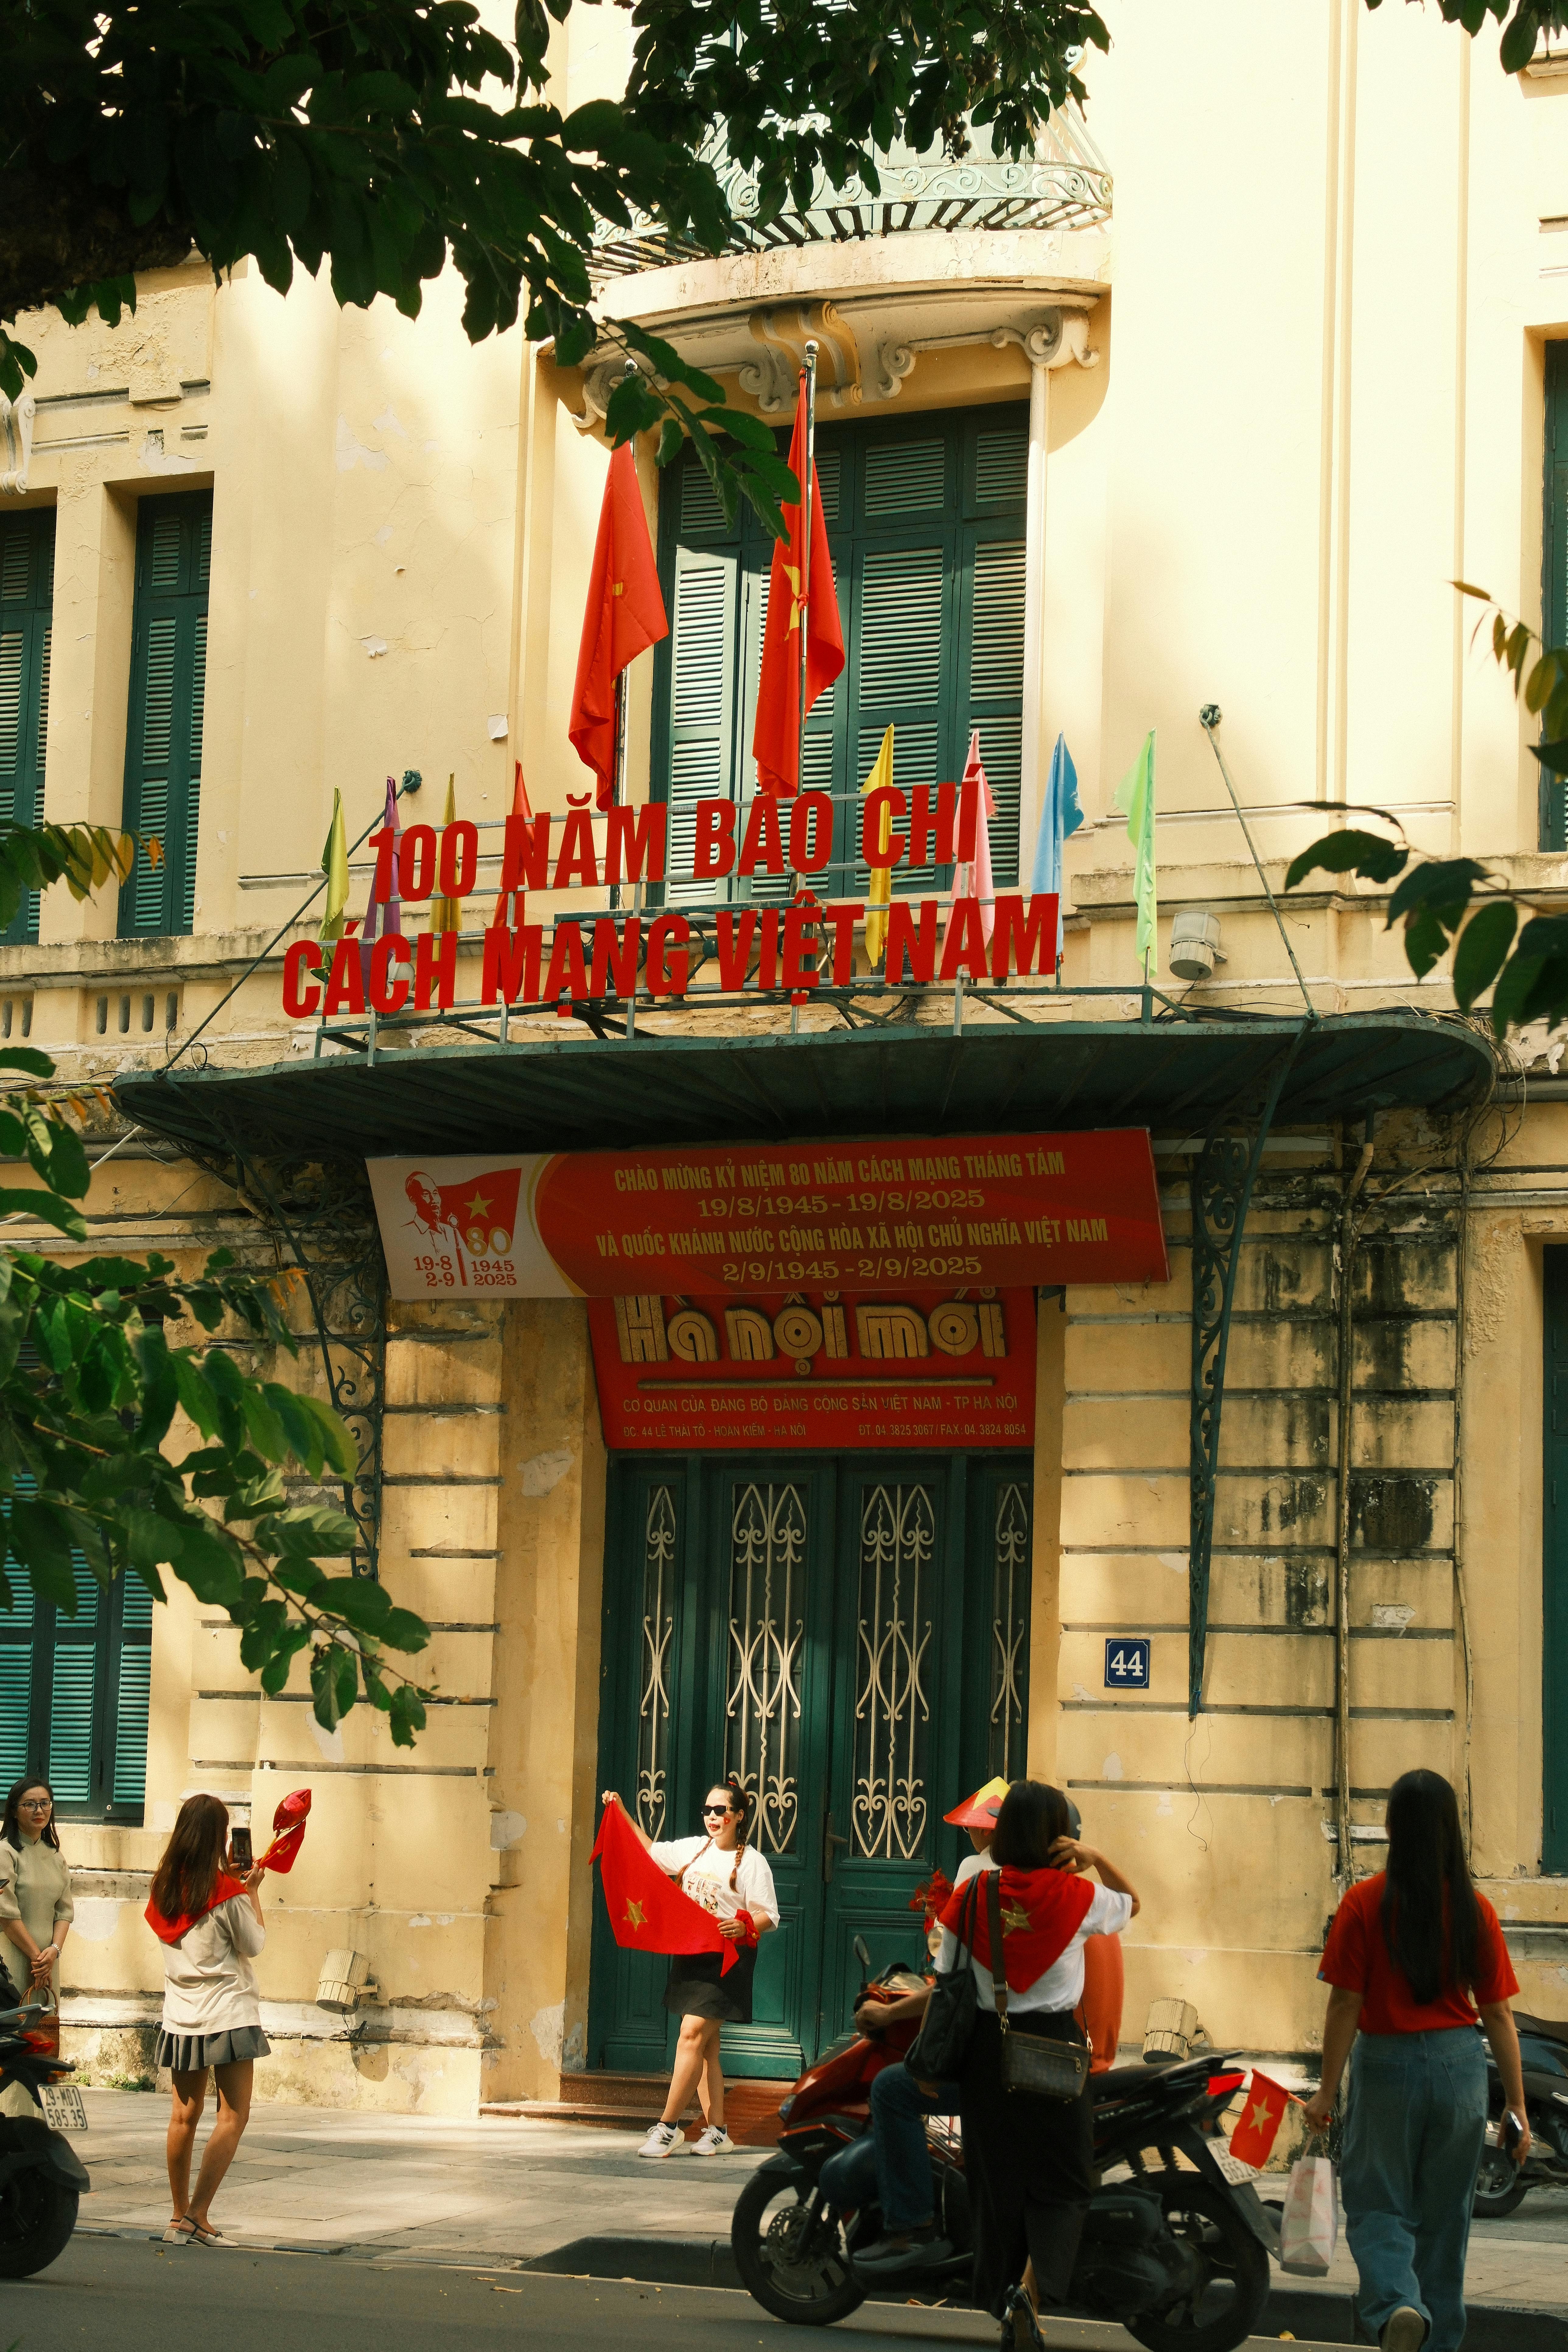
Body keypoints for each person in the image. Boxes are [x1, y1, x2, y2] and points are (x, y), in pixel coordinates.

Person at [1302, 1769, 1528, 2352]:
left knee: (1378, 2204)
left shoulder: (1362, 1902)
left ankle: (1396, 2304)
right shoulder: (1476, 1909)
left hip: (1385, 2068)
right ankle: (1439, 2339)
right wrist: (1517, 2107)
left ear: (1391, 1826)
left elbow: (1344, 2003)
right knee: (1446, 2218)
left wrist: (1326, 2091)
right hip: (1459, 2068)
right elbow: (1499, 2013)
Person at [934, 1779, 1138, 2352]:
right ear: (1057, 1836)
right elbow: (1134, 1904)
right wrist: (1094, 1859)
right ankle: (1032, 2292)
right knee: (1066, 2182)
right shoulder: (1079, 1898)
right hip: (1054, 2051)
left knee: (998, 2184)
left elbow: (947, 1972)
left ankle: (1004, 2294)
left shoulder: (971, 1893)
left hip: (984, 2052)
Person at [600, 1775, 777, 2158]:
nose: (712, 1817)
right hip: (693, 1953)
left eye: (721, 1810)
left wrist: (745, 1924)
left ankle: (667, 2128)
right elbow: (648, 1851)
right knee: (708, 2048)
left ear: (739, 1816)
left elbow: (770, 1916)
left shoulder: (752, 1862)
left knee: (690, 2035)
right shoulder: (695, 1849)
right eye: (708, 1810)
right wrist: (620, 1810)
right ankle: (718, 2132)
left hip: (729, 1958)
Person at [145, 1793, 269, 2245]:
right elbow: (253, 1944)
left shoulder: (162, 1887)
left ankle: (178, 2217)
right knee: (233, 2116)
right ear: (221, 1838)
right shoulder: (227, 1892)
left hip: (181, 2016)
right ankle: (199, 2215)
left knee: (183, 2117)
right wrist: (251, 1891)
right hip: (229, 2013)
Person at [0, 1779, 74, 2120]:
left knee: (44, 2038)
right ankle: (13, 2121)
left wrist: (54, 1951)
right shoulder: (5, 1852)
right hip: (17, 1960)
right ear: (14, 1811)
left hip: (48, 1963)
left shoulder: (55, 1855)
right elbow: (7, 1913)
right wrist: (36, 1955)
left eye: (45, 1803)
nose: (40, 1811)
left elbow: (65, 1910)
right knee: (16, 2038)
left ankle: (42, 2128)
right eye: (30, 1804)